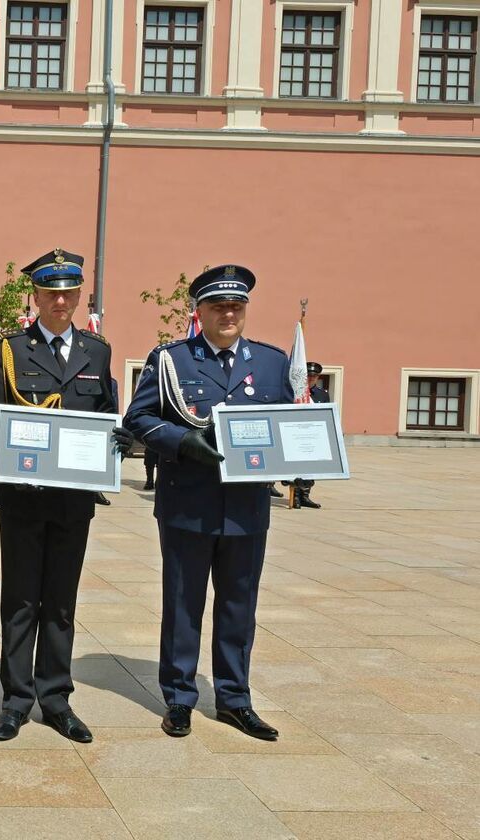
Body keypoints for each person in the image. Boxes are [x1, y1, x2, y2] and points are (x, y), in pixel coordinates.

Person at [125, 264, 294, 742]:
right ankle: (179, 698)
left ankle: (235, 700)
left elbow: (286, 424)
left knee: (240, 605)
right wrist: (182, 442)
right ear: (199, 312)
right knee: (182, 604)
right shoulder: (172, 359)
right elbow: (139, 418)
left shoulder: (270, 363)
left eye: (236, 306)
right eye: (218, 306)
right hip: (188, 503)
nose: (228, 313)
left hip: (246, 508)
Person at [0, 247, 133, 744]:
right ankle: (16, 701)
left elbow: (106, 412)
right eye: (50, 292)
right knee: (20, 601)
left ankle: (57, 699)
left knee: (61, 602)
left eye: (68, 292)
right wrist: (11, 452)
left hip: (73, 501)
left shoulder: (98, 351)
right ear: (36, 297)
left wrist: (121, 440)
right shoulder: (8, 349)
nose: (59, 301)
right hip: (22, 497)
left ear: (79, 295)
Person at [290, 362, 330, 509]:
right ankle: (295, 497)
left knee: (311, 466)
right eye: (309, 376)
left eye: (314, 376)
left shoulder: (322, 394)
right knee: (296, 466)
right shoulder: (296, 392)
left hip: (314, 433)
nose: (311, 378)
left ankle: (305, 495)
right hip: (297, 432)